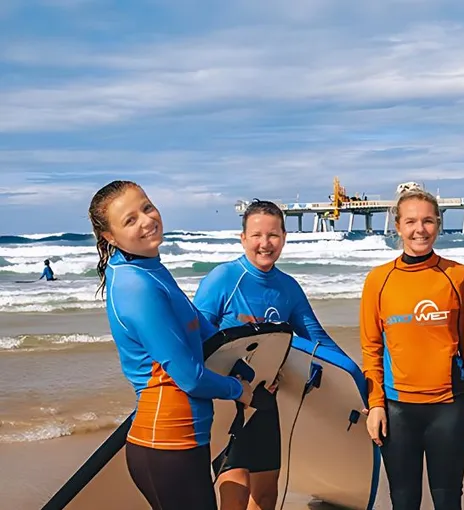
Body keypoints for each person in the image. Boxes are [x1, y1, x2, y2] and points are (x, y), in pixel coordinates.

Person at [88, 180, 253, 510]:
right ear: (109, 237)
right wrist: (240, 391)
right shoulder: (137, 286)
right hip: (168, 444)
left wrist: (249, 364)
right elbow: (189, 376)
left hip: (177, 442)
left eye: (146, 207)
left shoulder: (148, 268)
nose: (147, 220)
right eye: (130, 220)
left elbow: (204, 330)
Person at [194, 199, 341, 510]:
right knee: (234, 494)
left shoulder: (287, 287)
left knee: (265, 497)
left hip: (265, 399)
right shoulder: (223, 278)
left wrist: (358, 378)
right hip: (226, 403)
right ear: (243, 238)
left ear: (284, 238)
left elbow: (316, 340)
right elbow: (198, 338)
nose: (265, 243)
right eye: (257, 235)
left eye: (273, 235)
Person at [359, 188, 464, 510]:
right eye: (412, 221)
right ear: (398, 227)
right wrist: (375, 404)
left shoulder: (458, 277)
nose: (420, 229)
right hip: (396, 408)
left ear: (439, 224)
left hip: (450, 408)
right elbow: (371, 347)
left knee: (448, 499)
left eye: (428, 221)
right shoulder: (379, 280)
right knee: (403, 500)